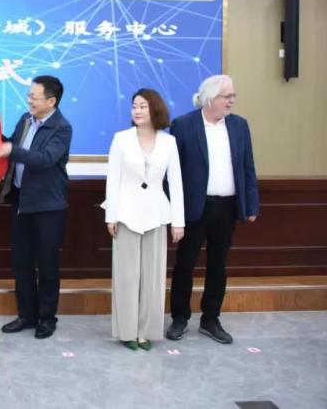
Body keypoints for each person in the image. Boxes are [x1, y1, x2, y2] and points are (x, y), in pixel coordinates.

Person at [166, 74, 259, 344]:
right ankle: (179, 318)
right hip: (195, 207)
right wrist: (174, 211)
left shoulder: (240, 125)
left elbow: (248, 167)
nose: (232, 101)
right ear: (209, 99)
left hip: (227, 207)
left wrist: (251, 204)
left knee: (219, 264)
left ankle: (210, 319)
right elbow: (173, 172)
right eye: (226, 96)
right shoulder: (184, 125)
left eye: (233, 96)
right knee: (185, 263)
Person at [103, 89, 184, 351]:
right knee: (126, 276)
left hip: (157, 214)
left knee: (153, 277)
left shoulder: (169, 142)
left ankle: (146, 332)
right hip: (125, 214)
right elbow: (113, 179)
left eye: (142, 106)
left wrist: (178, 221)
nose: (137, 111)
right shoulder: (121, 139)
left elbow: (176, 183)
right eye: (134, 106)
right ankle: (127, 331)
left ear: (155, 109)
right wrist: (111, 215)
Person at [0, 75, 72, 339]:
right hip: (21, 200)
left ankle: (47, 319)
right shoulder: (25, 120)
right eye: (29, 95)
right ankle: (26, 315)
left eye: (34, 97)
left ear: (51, 101)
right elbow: (13, 145)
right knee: (22, 262)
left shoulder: (61, 127)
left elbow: (44, 159)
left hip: (47, 206)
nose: (29, 100)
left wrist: (11, 150)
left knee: (47, 265)